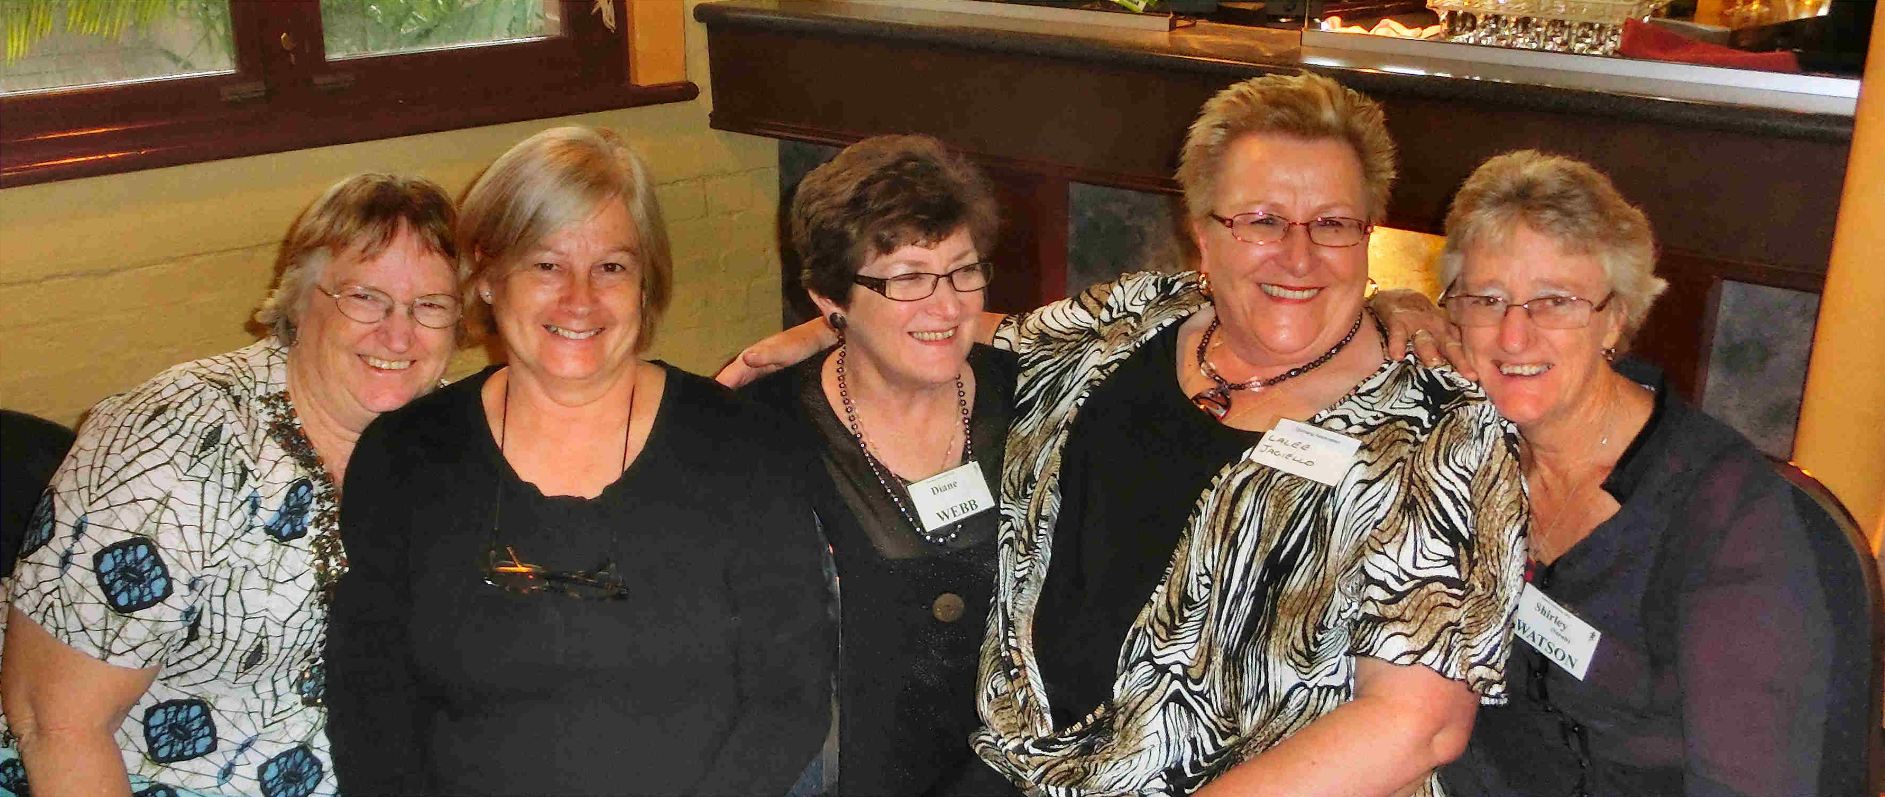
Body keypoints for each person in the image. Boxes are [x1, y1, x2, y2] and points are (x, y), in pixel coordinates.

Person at [957, 70, 1529, 797]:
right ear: (1202, 234)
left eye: (1331, 223)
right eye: (1260, 220)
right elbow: (992, 341)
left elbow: (1416, 725)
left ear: (1366, 236)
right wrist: (839, 328)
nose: (1297, 256)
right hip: (1024, 763)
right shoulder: (1138, 317)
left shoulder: (1438, 429)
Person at [323, 126, 832, 796]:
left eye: (612, 267)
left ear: (646, 283)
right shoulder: (407, 457)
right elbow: (372, 708)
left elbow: (788, 697)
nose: (580, 298)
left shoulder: (741, 445)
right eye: (545, 264)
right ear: (486, 274)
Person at [0, 173, 463, 797]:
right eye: (365, 297)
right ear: (300, 301)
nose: (399, 334)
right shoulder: (177, 438)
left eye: (430, 305)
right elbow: (55, 723)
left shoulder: (451, 438)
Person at [1434, 151, 1851, 797]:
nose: (1513, 335)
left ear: (1615, 315)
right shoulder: (1462, 454)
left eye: (1555, 301)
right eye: (1487, 298)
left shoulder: (1725, 517)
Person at [740, 134, 1015, 795]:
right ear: (829, 298)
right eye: (908, 278)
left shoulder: (1035, 398)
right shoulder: (762, 432)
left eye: (963, 269)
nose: (947, 306)